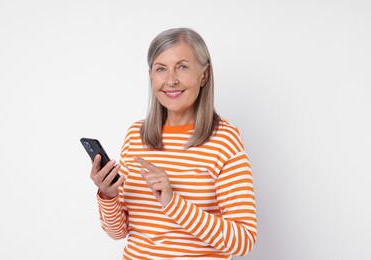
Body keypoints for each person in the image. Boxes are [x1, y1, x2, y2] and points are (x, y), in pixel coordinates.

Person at [90, 28, 257, 260]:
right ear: (151, 74)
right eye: (161, 69)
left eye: (182, 66)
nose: (170, 80)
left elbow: (243, 240)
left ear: (204, 75)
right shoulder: (135, 136)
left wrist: (172, 201)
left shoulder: (224, 140)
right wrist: (108, 195)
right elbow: (118, 232)